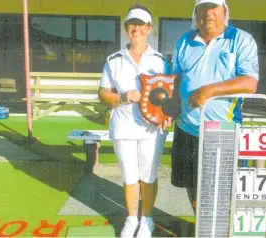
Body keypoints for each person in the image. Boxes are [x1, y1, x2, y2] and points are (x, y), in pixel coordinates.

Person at [167, 0, 260, 212]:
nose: (208, 13)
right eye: (202, 9)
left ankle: (219, 230)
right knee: (191, 185)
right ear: (195, 12)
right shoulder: (184, 41)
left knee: (222, 190)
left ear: (224, 11)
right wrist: (169, 110)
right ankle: (202, 226)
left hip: (223, 131)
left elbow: (250, 83)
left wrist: (208, 91)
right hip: (186, 128)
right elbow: (176, 79)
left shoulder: (241, 40)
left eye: (213, 8)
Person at [98, 4, 170, 238]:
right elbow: (103, 93)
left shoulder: (160, 61)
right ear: (126, 28)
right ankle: (131, 220)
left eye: (141, 25)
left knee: (148, 175)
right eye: (131, 25)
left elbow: (170, 94)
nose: (136, 29)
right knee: (129, 175)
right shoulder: (114, 59)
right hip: (123, 125)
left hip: (152, 128)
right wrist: (122, 96)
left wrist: (167, 114)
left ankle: (146, 220)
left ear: (150, 28)